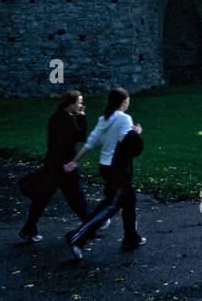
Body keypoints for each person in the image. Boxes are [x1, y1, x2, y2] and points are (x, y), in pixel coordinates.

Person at [63, 87, 146, 257]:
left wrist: (74, 161)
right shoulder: (124, 118)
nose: (129, 102)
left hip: (106, 167)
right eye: (128, 100)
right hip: (118, 169)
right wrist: (136, 133)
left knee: (128, 199)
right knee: (111, 206)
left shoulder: (104, 119)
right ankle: (77, 237)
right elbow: (127, 143)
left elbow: (90, 143)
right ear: (124, 101)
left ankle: (131, 237)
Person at [19, 90, 93, 242]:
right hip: (63, 166)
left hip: (54, 164)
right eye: (79, 102)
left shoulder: (59, 117)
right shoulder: (63, 120)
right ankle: (91, 225)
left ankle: (28, 229)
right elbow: (81, 135)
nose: (81, 105)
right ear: (71, 104)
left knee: (43, 198)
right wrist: (81, 116)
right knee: (75, 197)